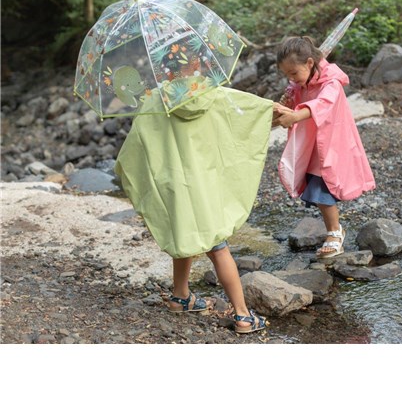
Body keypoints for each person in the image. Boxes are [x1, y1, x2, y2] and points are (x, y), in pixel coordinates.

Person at [115, 85, 272, 334]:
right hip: (203, 183)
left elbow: (134, 148)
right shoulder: (210, 94)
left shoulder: (154, 99)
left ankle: (181, 296)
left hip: (173, 182)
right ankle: (243, 315)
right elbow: (242, 117)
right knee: (218, 246)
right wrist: (273, 110)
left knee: (183, 231)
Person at [272, 36, 375, 258]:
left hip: (331, 145)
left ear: (310, 63)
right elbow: (296, 104)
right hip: (312, 147)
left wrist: (295, 115)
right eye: (287, 75)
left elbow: (322, 104)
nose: (291, 78)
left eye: (293, 73)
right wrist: (285, 105)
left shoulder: (331, 83)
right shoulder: (300, 83)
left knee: (322, 190)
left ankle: (335, 233)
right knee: (316, 187)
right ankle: (333, 230)